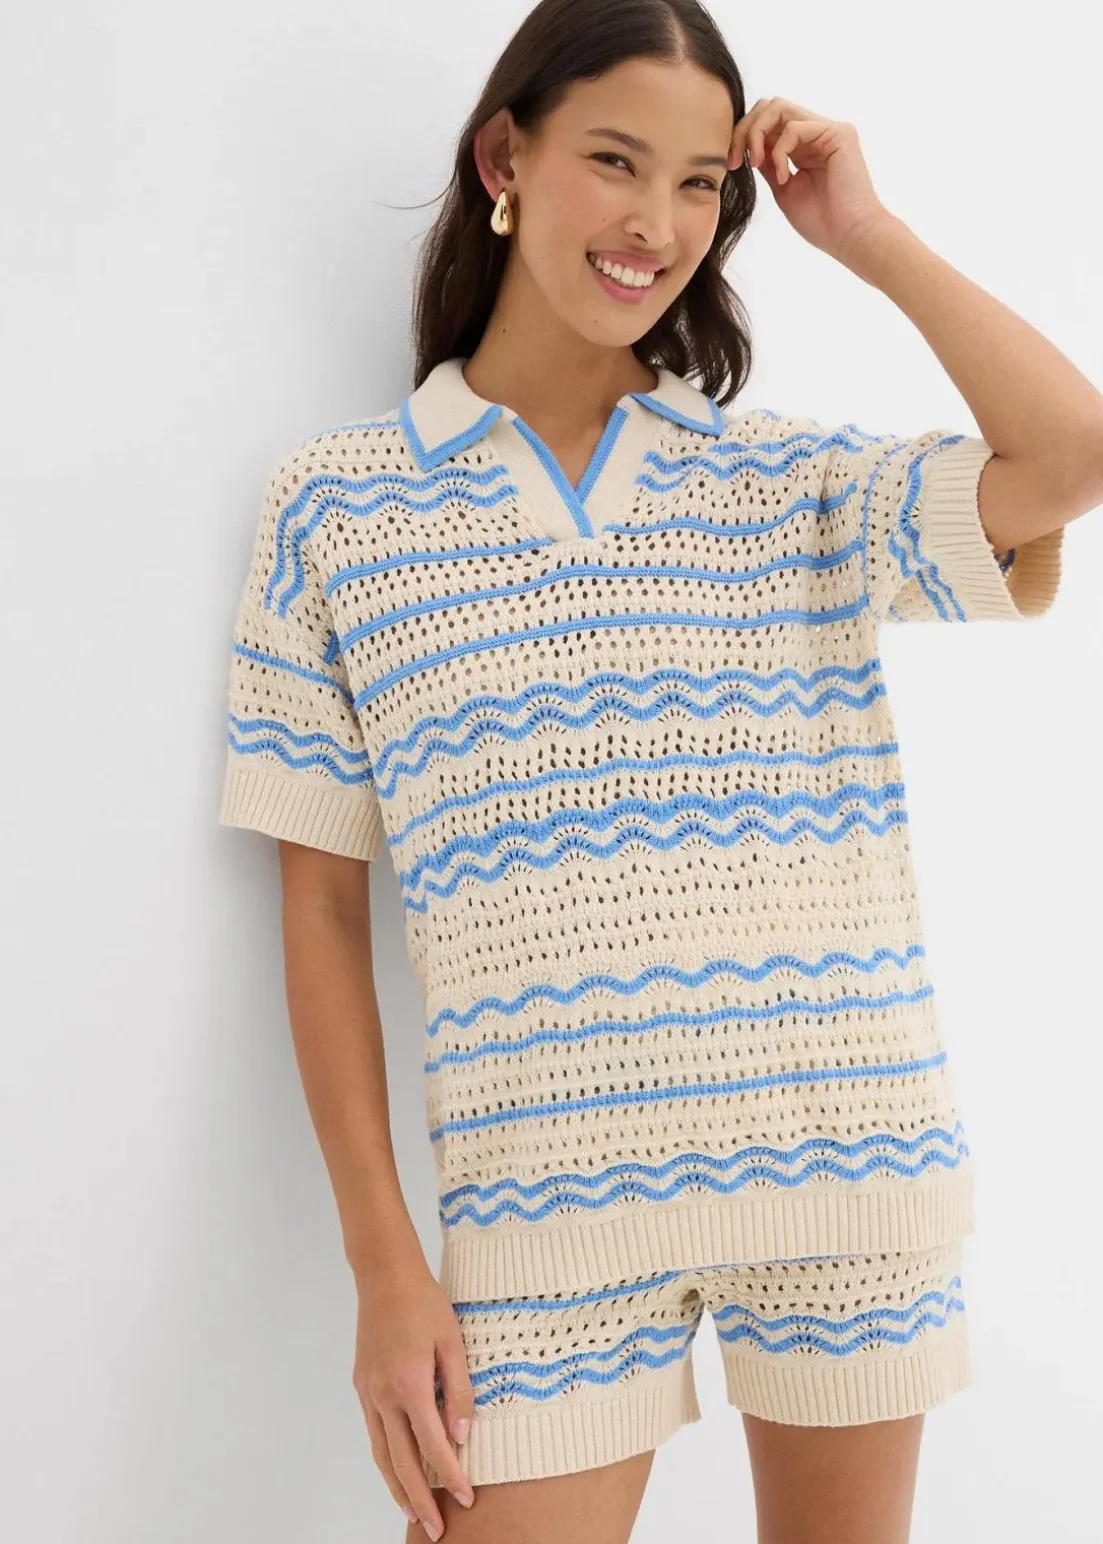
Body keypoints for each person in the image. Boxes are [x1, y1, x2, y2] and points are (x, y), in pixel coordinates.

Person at [217, 1, 1101, 1540]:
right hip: (537, 1212)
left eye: (699, 183)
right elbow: (319, 907)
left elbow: (1069, 455)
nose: (655, 224)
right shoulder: (337, 510)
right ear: (504, 157)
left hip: (838, 1158)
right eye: (614, 161)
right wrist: (385, 1269)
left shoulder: (793, 485)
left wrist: (868, 236)